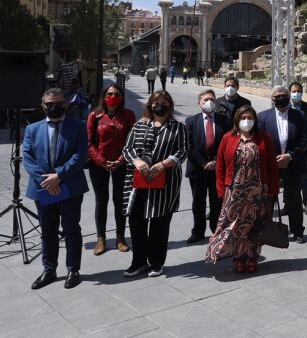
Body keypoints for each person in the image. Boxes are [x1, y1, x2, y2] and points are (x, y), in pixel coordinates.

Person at [21, 88, 89, 290]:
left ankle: (73, 270)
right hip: (43, 188)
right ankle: (49, 270)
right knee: (47, 231)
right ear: (43, 106)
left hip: (70, 186)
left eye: (58, 103)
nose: (54, 107)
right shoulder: (32, 129)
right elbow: (28, 158)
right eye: (49, 104)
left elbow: (80, 156)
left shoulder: (79, 126)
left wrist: (58, 176)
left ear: (66, 104)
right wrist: (47, 181)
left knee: (71, 229)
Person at [122, 91, 190, 278]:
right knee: (137, 223)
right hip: (139, 182)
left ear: (170, 106)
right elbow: (127, 149)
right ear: (150, 105)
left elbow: (183, 150)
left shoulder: (178, 127)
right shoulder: (139, 125)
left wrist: (163, 164)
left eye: (164, 103)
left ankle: (156, 262)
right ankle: (138, 262)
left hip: (165, 183)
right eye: (156, 103)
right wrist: (137, 161)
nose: (159, 106)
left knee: (160, 224)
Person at [207, 105, 279, 273]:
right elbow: (220, 165)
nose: (246, 121)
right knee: (235, 225)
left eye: (250, 118)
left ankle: (252, 257)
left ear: (254, 120)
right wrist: (221, 189)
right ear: (237, 120)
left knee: (254, 225)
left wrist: (273, 189)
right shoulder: (228, 138)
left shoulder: (264, 138)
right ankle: (239, 258)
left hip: (257, 191)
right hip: (235, 191)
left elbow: (272, 165)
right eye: (243, 118)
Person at [87, 82, 136, 255]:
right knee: (101, 201)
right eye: (109, 94)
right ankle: (101, 238)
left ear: (121, 98)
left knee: (119, 201)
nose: (113, 97)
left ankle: (120, 237)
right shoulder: (94, 115)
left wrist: (121, 160)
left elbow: (133, 140)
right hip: (99, 164)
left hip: (121, 164)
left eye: (117, 94)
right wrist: (101, 161)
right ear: (104, 97)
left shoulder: (128, 115)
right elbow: (89, 143)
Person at [258, 85, 307, 243]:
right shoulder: (263, 117)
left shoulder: (299, 116)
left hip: (293, 164)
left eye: (284, 95)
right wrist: (274, 159)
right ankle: (265, 231)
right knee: (268, 199)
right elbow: (260, 142)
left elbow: (304, 140)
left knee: (294, 199)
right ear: (272, 99)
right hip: (271, 165)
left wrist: (289, 156)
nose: (281, 98)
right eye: (277, 96)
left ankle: (297, 231)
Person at [184, 89, 230, 244]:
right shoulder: (191, 121)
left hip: (217, 169)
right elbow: (188, 145)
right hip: (198, 170)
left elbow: (227, 143)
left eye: (212, 99)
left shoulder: (224, 120)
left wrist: (216, 161)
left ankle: (217, 230)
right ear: (199, 103)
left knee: (217, 202)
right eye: (206, 100)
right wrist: (203, 163)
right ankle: (198, 231)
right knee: (198, 203)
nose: (209, 102)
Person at [289, 81, 307, 215]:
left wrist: (304, 145)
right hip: (290, 150)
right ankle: (288, 204)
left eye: (298, 91)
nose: (296, 93)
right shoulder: (285, 107)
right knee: (289, 178)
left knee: (306, 177)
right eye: (294, 91)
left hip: (306, 149)